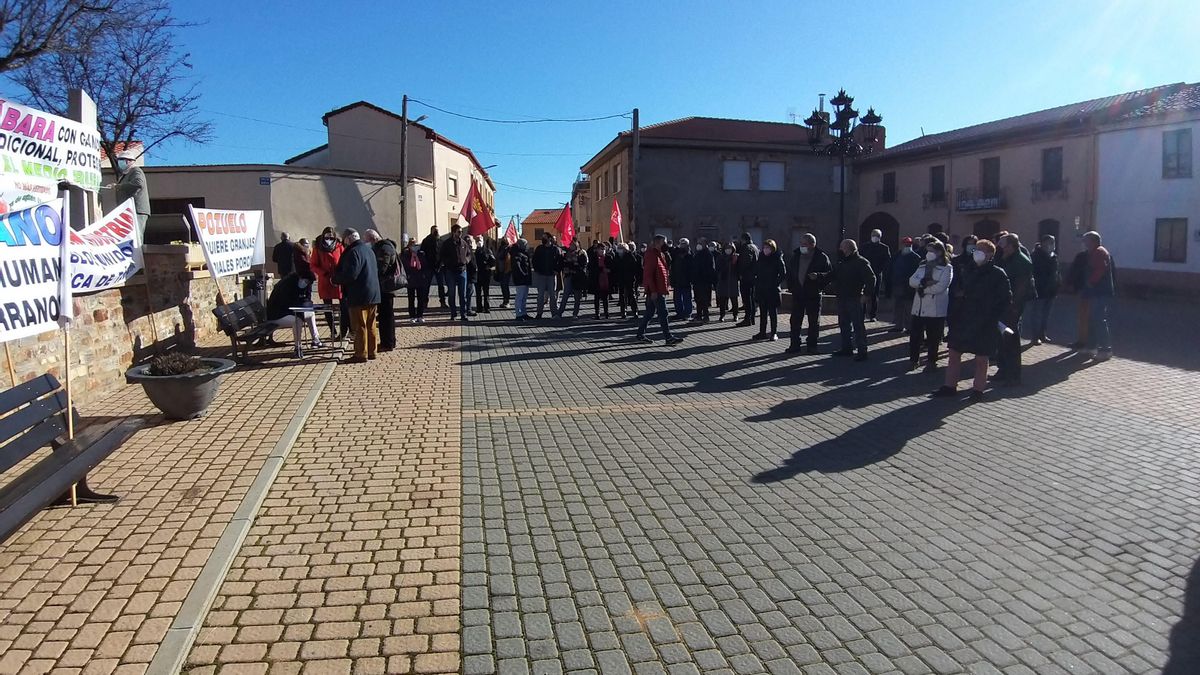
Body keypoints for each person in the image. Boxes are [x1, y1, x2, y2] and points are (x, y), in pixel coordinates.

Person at [934, 239, 1011, 401]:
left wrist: (995, 318)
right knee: (954, 353)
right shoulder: (966, 269)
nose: (976, 253)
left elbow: (1005, 299)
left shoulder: (998, 274)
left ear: (990, 255)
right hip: (963, 318)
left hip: (985, 321)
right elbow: (956, 291)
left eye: (981, 250)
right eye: (975, 249)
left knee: (981, 358)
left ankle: (978, 390)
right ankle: (949, 386)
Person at [333, 228, 381, 363]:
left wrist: (336, 279)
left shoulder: (353, 252)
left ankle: (360, 354)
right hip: (373, 292)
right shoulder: (368, 250)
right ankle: (372, 351)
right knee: (371, 324)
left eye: (344, 240)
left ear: (348, 239)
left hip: (359, 293)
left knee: (359, 325)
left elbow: (351, 274)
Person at [994, 233, 1034, 385]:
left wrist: (1014, 307)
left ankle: (1013, 374)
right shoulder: (1005, 258)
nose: (1001, 249)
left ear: (1011, 246)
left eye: (1003, 246)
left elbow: (1021, 289)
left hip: (1012, 307)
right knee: (1001, 339)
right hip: (1002, 304)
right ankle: (1002, 369)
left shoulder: (1022, 262)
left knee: (1011, 340)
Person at [908, 239, 953, 372]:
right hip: (919, 307)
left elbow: (941, 287)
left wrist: (922, 289)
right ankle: (913, 360)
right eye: (928, 251)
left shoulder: (946, 267)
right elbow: (912, 280)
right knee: (915, 336)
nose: (929, 254)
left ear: (939, 252)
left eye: (932, 251)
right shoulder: (922, 265)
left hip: (935, 309)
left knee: (933, 337)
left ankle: (932, 361)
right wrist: (924, 284)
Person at [786, 233, 831, 354]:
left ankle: (812, 346)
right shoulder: (796, 256)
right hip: (798, 293)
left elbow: (829, 275)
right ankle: (795, 344)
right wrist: (791, 287)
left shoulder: (821, 257)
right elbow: (789, 272)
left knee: (813, 321)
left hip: (813, 294)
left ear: (812, 244)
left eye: (805, 244)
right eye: (801, 244)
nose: (802, 246)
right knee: (795, 320)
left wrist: (818, 277)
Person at [832, 239, 875, 361]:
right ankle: (847, 348)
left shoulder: (861, 262)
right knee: (844, 324)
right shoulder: (842, 262)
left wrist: (866, 294)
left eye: (842, 247)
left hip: (855, 297)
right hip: (842, 296)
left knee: (858, 325)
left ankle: (862, 350)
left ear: (848, 248)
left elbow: (871, 279)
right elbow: (833, 275)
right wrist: (820, 277)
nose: (840, 249)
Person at [636, 235, 683, 345]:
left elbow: (663, 271)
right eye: (663, 242)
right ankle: (668, 337)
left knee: (649, 313)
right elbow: (648, 275)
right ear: (657, 243)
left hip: (659, 289)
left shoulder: (660, 254)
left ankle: (640, 334)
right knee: (663, 313)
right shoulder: (651, 255)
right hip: (655, 291)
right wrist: (653, 291)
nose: (665, 245)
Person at [1079, 231, 1115, 361]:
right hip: (1096, 291)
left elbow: (1099, 270)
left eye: (1086, 241)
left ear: (1093, 241)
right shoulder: (1095, 252)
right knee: (1092, 319)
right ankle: (1091, 347)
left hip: (1100, 291)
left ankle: (1105, 349)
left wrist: (1090, 282)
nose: (1084, 243)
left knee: (1098, 319)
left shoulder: (1099, 252)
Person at [311, 226, 348, 341]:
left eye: (331, 237)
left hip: (338, 281)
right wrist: (323, 273)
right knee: (328, 308)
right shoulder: (318, 248)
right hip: (325, 281)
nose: (329, 239)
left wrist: (341, 273)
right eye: (327, 237)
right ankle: (333, 331)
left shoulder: (339, 246)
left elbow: (345, 260)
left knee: (344, 307)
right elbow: (313, 265)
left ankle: (344, 331)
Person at [365, 229, 399, 352]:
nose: (366, 243)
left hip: (386, 287)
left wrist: (373, 273)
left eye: (367, 241)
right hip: (384, 287)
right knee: (385, 315)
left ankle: (388, 343)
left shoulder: (384, 248)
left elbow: (382, 267)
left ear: (373, 239)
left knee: (386, 316)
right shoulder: (383, 247)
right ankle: (389, 341)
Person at [752, 239, 787, 341]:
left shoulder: (777, 258)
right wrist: (756, 280)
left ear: (772, 248)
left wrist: (775, 283)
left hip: (772, 289)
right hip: (762, 289)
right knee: (763, 312)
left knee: (772, 313)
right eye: (764, 247)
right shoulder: (761, 258)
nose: (766, 250)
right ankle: (762, 332)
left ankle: (773, 333)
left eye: (768, 248)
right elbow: (756, 270)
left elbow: (783, 274)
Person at [1029, 234, 1060, 345]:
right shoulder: (1036, 255)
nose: (1051, 245)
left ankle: (1043, 334)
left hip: (1051, 290)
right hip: (1040, 289)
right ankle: (1035, 336)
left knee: (1046, 314)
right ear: (1042, 243)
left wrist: (1058, 284)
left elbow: (1056, 273)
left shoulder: (1054, 256)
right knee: (1037, 314)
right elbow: (1034, 272)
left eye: (1053, 243)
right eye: (1049, 242)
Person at [438, 223, 472, 322]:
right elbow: (442, 256)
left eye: (461, 232)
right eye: (459, 232)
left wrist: (466, 260)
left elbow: (469, 254)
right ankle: (453, 314)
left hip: (462, 271)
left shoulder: (463, 243)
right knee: (452, 294)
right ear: (453, 232)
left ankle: (463, 314)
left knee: (463, 294)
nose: (460, 233)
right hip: (451, 272)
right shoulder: (447, 243)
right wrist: (448, 262)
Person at [887, 237, 921, 333]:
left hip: (909, 285)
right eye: (905, 244)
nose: (907, 246)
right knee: (898, 305)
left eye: (909, 244)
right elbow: (891, 268)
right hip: (897, 283)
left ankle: (909, 326)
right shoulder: (897, 255)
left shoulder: (915, 257)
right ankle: (898, 325)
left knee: (908, 306)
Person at [114, 151, 151, 236]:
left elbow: (138, 183)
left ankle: (136, 249)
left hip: (137, 210)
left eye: (121, 160)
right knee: (130, 236)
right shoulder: (125, 174)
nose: (119, 163)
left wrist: (119, 186)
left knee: (136, 236)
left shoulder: (136, 170)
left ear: (129, 161)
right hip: (130, 210)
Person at [861, 229, 891, 322]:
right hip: (865, 273)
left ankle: (872, 315)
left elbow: (887, 261)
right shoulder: (865, 246)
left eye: (877, 235)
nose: (875, 237)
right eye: (873, 235)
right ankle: (862, 314)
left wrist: (880, 270)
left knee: (875, 295)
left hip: (877, 273)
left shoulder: (884, 248)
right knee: (864, 293)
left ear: (880, 237)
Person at [532, 233, 562, 319]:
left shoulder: (555, 249)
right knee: (540, 295)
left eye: (544, 237)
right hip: (541, 275)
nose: (542, 238)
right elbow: (534, 260)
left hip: (551, 276)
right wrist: (537, 270)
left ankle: (554, 313)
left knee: (553, 295)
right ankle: (539, 313)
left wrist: (557, 270)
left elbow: (560, 261)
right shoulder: (539, 248)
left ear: (549, 239)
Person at [557, 239, 588, 318]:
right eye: (571, 244)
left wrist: (575, 267)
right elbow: (563, 263)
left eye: (574, 244)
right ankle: (560, 313)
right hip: (568, 276)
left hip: (578, 277)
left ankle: (575, 313)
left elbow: (583, 265)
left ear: (577, 245)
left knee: (577, 297)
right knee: (565, 295)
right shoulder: (566, 254)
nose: (572, 246)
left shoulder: (581, 253)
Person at [402, 237, 429, 323]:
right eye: (412, 244)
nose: (413, 245)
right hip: (411, 278)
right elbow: (404, 265)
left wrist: (424, 275)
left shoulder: (421, 254)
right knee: (411, 298)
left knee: (421, 298)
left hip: (420, 278)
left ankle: (420, 315)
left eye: (415, 244)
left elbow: (425, 265)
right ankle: (412, 315)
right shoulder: (406, 254)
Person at [735, 233, 760, 326]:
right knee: (751, 298)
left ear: (743, 239)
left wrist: (741, 272)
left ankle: (748, 318)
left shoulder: (747, 248)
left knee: (747, 298)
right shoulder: (755, 247)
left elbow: (746, 262)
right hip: (753, 276)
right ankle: (751, 318)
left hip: (746, 277)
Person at [691, 238, 717, 322]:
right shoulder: (698, 253)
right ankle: (699, 315)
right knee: (698, 299)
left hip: (704, 280)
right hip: (697, 280)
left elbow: (711, 268)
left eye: (700, 243)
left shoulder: (708, 254)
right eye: (698, 243)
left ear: (705, 244)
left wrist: (710, 279)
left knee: (704, 300)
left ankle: (705, 316)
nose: (698, 245)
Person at [716, 240, 740, 323]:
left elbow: (739, 269)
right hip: (723, 280)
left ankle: (735, 315)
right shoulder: (720, 257)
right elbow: (717, 268)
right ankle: (722, 315)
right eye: (726, 248)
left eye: (730, 248)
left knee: (734, 299)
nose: (728, 250)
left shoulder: (736, 257)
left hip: (733, 280)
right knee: (722, 300)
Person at [420, 226, 445, 308]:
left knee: (441, 285)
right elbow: (422, 253)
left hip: (439, 267)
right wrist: (425, 263)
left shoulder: (441, 241)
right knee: (426, 285)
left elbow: (443, 253)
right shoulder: (426, 240)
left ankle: (442, 302)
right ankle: (425, 302)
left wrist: (441, 263)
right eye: (435, 230)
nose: (436, 232)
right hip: (429, 266)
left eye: (437, 230)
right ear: (431, 231)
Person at [614, 243, 639, 319]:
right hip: (621, 278)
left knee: (631, 294)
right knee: (621, 295)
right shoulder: (617, 256)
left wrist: (633, 276)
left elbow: (634, 267)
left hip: (629, 278)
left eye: (621, 249)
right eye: (619, 248)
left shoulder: (630, 256)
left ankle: (635, 310)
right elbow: (615, 266)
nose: (620, 250)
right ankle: (623, 311)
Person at [670, 238, 694, 320]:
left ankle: (687, 313)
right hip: (677, 279)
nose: (682, 245)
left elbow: (691, 268)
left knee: (687, 298)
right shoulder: (676, 253)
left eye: (684, 244)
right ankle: (679, 313)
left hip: (686, 280)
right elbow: (672, 266)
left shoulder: (690, 254)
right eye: (681, 243)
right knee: (677, 298)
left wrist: (691, 279)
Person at [510, 239, 533, 320]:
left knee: (524, 297)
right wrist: (524, 274)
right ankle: (518, 314)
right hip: (520, 279)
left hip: (524, 278)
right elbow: (517, 267)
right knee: (520, 297)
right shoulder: (517, 253)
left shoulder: (522, 253)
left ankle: (523, 313)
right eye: (526, 244)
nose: (527, 246)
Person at [589, 242, 613, 319]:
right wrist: (602, 269)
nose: (602, 251)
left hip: (606, 280)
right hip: (597, 279)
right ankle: (597, 313)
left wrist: (609, 270)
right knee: (597, 297)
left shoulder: (609, 257)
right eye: (601, 249)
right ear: (597, 250)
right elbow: (592, 268)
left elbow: (612, 267)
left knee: (605, 298)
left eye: (603, 249)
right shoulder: (593, 258)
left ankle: (606, 313)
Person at [475, 236, 496, 314]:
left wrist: (488, 265)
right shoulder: (475, 252)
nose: (479, 241)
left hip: (485, 274)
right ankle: (479, 308)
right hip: (477, 274)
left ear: (483, 241)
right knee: (478, 292)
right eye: (477, 240)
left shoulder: (488, 251)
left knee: (486, 292)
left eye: (480, 240)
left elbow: (493, 261)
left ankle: (487, 308)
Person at [495, 239, 512, 309]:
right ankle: (504, 301)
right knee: (503, 286)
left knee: (505, 286)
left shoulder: (508, 249)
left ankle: (507, 301)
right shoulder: (500, 249)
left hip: (506, 271)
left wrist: (506, 270)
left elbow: (508, 260)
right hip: (500, 270)